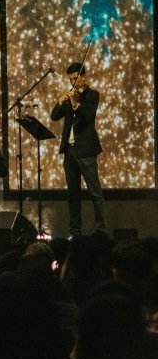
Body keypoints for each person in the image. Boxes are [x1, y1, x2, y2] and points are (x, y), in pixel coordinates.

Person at [50, 61, 106, 238]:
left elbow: (88, 116)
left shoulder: (92, 95)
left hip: (86, 150)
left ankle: (101, 231)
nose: (73, 83)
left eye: (75, 79)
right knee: (73, 195)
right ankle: (75, 232)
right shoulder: (71, 95)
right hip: (70, 151)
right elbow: (54, 116)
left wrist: (75, 104)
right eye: (70, 80)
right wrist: (60, 102)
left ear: (83, 77)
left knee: (95, 192)